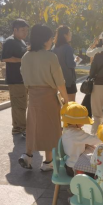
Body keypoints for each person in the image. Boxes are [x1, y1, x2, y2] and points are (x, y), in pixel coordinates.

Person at [19, 24, 69, 171]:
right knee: (50, 128)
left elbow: (24, 78)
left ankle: (27, 156)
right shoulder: (50, 57)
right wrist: (67, 100)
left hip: (33, 96)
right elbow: (60, 82)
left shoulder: (25, 57)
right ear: (45, 40)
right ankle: (47, 162)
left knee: (33, 126)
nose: (52, 41)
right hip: (48, 96)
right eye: (51, 38)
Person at [2, 19, 29, 137]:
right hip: (15, 79)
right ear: (15, 30)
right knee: (20, 106)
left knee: (19, 105)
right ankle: (23, 129)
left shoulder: (21, 41)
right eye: (23, 30)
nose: (25, 32)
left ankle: (17, 128)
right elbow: (5, 58)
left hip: (22, 79)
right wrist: (23, 60)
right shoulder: (10, 41)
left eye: (26, 30)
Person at [61, 102, 102, 177]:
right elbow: (94, 140)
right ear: (76, 122)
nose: (84, 124)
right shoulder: (76, 134)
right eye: (83, 121)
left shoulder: (67, 130)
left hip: (69, 164)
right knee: (99, 171)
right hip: (75, 168)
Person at [52, 26, 79, 102]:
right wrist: (75, 61)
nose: (71, 35)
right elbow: (70, 64)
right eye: (69, 34)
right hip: (68, 81)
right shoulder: (68, 48)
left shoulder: (54, 48)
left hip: (57, 80)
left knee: (60, 105)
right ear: (65, 35)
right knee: (71, 105)